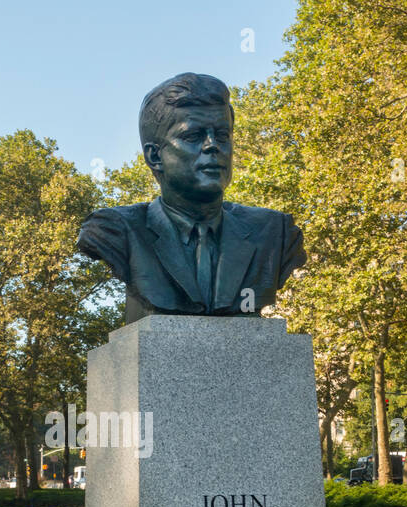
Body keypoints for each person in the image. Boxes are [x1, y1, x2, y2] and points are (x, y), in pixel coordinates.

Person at [78, 72, 306, 323]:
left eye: (222, 135)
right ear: (155, 156)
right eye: (193, 136)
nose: (212, 146)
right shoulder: (114, 231)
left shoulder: (275, 233)